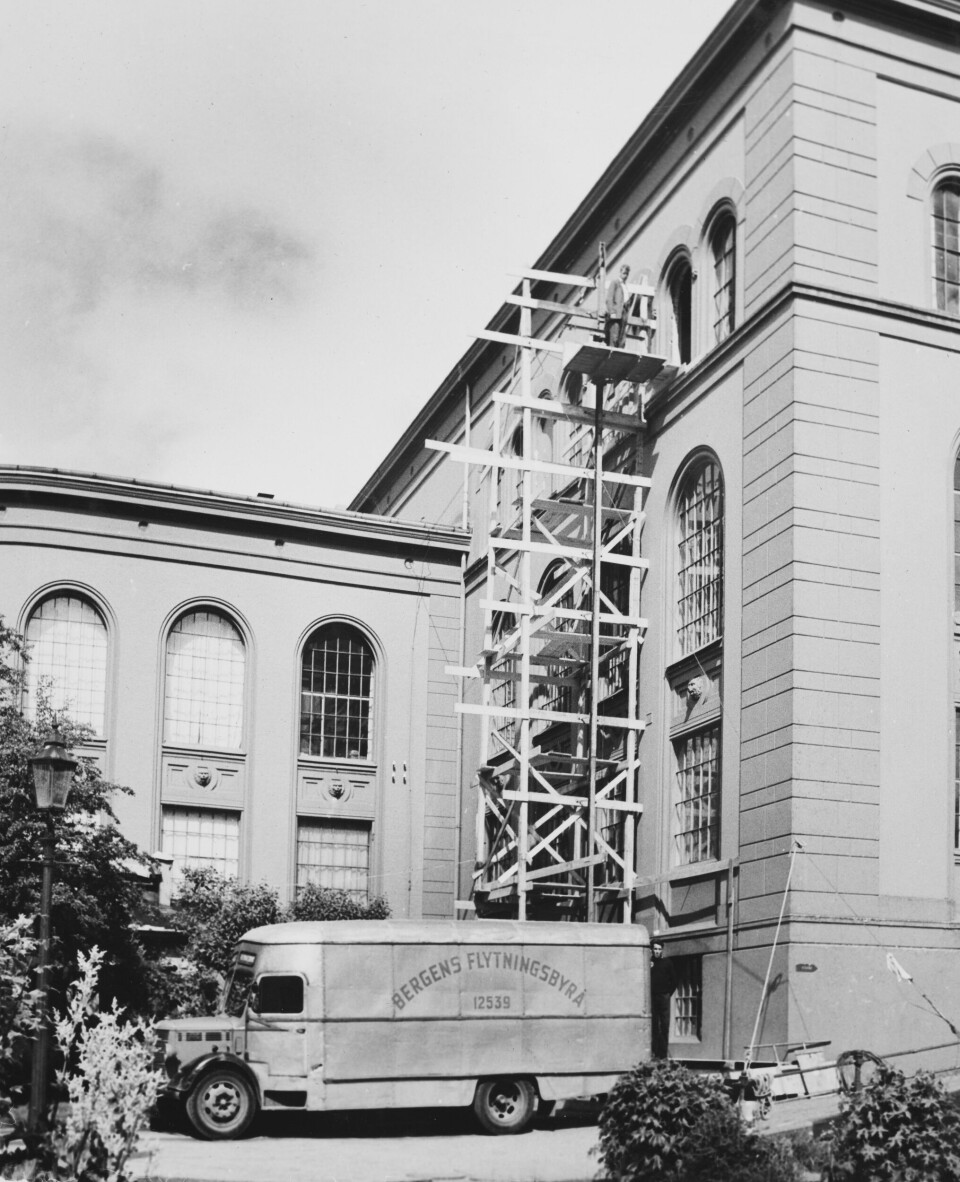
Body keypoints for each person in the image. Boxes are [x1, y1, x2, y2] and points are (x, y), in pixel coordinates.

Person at [650, 940, 678, 1059]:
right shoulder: (648, 963)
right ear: (652, 950)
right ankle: (654, 1054)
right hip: (652, 996)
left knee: (664, 1026)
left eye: (659, 949)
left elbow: (674, 981)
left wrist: (667, 993)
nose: (657, 951)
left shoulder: (667, 962)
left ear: (662, 950)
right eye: (655, 949)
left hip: (663, 996)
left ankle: (663, 1055)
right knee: (654, 1026)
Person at [604, 264, 631, 347]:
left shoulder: (625, 286)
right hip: (616, 313)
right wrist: (612, 312)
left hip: (624, 313)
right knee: (614, 336)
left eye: (626, 274)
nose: (625, 276)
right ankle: (611, 351)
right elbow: (609, 298)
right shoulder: (615, 283)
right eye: (623, 273)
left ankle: (618, 352)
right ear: (620, 272)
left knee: (621, 337)